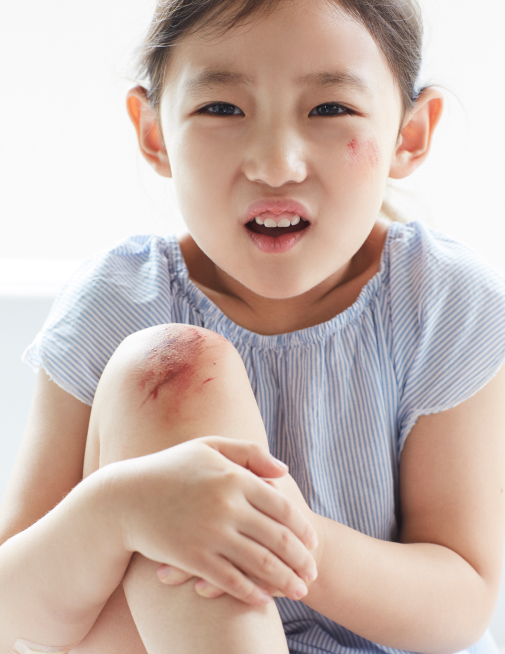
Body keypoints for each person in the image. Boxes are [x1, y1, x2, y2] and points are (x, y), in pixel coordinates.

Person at [1, 0, 504, 652]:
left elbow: (460, 604)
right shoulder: (118, 301)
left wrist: (273, 529)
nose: (274, 163)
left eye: (329, 109)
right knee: (171, 367)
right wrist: (121, 510)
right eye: (222, 108)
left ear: (408, 136)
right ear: (154, 134)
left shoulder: (438, 301)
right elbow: (13, 614)